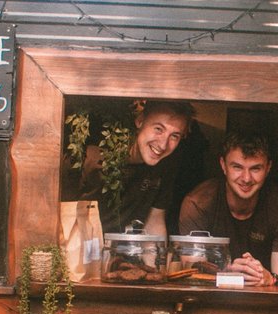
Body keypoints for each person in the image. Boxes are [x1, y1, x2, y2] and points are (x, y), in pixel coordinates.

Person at [177, 132, 278, 287]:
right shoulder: (197, 203)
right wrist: (230, 273)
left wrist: (270, 278)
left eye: (255, 168)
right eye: (237, 167)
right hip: (211, 298)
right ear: (223, 165)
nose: (246, 178)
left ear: (268, 167)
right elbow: (193, 272)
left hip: (266, 298)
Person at [68, 100, 194, 235]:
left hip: (124, 249)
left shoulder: (166, 165)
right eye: (158, 129)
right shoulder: (92, 157)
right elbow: (62, 217)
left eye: (174, 136)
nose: (163, 145)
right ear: (140, 121)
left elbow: (154, 220)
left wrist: (157, 255)